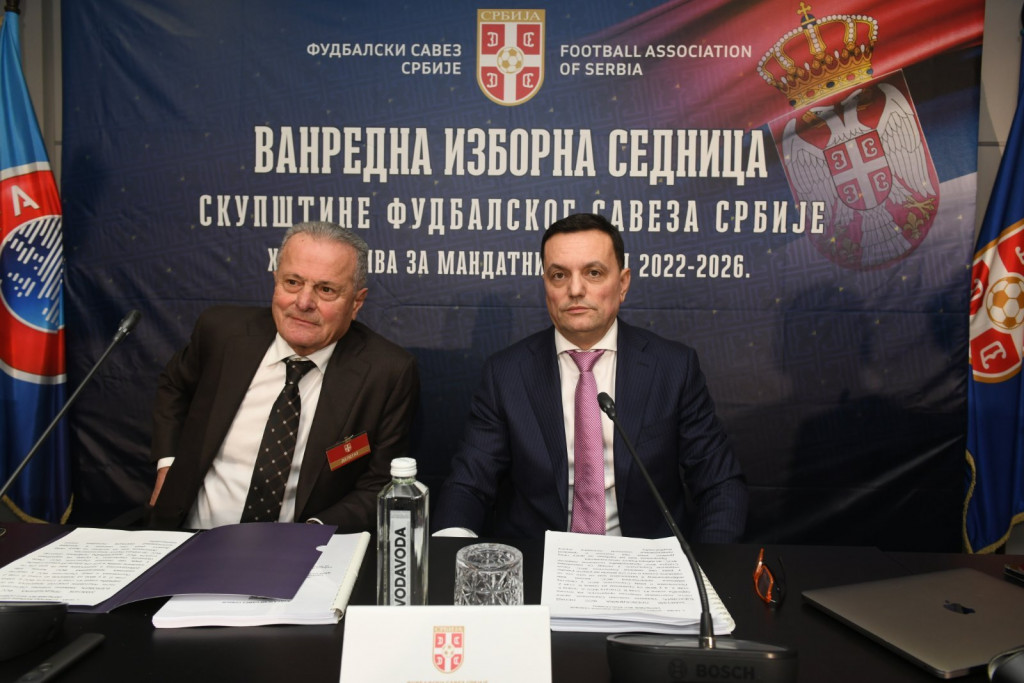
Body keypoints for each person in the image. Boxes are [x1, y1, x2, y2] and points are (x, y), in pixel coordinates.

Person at [433, 213, 747, 541]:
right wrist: (450, 550)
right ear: (546, 286)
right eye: (559, 275)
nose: (575, 289)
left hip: (644, 558)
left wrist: (708, 565)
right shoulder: (506, 374)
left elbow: (720, 484)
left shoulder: (673, 368)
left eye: (593, 273)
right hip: (539, 559)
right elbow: (469, 484)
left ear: (623, 283)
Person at [148, 221, 419, 531]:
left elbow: (381, 483)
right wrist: (168, 465)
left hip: (301, 547)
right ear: (275, 281)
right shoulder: (222, 333)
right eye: (292, 282)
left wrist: (312, 532)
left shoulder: (387, 372)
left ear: (356, 302)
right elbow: (174, 386)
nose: (303, 303)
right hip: (191, 534)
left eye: (326, 290)